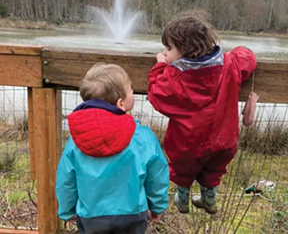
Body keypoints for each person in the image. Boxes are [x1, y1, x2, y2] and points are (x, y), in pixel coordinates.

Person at [148, 13, 257, 215]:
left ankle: (182, 200)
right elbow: (248, 57)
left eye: (169, 49)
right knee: (214, 170)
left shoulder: (175, 79)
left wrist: (160, 66)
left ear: (185, 51)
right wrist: (238, 51)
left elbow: (156, 94)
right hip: (224, 140)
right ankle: (209, 199)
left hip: (187, 144)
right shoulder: (229, 64)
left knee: (183, 172)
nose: (165, 52)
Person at [56, 63, 169, 234]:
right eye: (131, 89)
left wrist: (66, 209)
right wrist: (157, 206)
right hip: (133, 212)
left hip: (91, 214)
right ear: (121, 103)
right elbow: (157, 175)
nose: (133, 92)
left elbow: (66, 180)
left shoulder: (77, 139)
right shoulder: (142, 136)